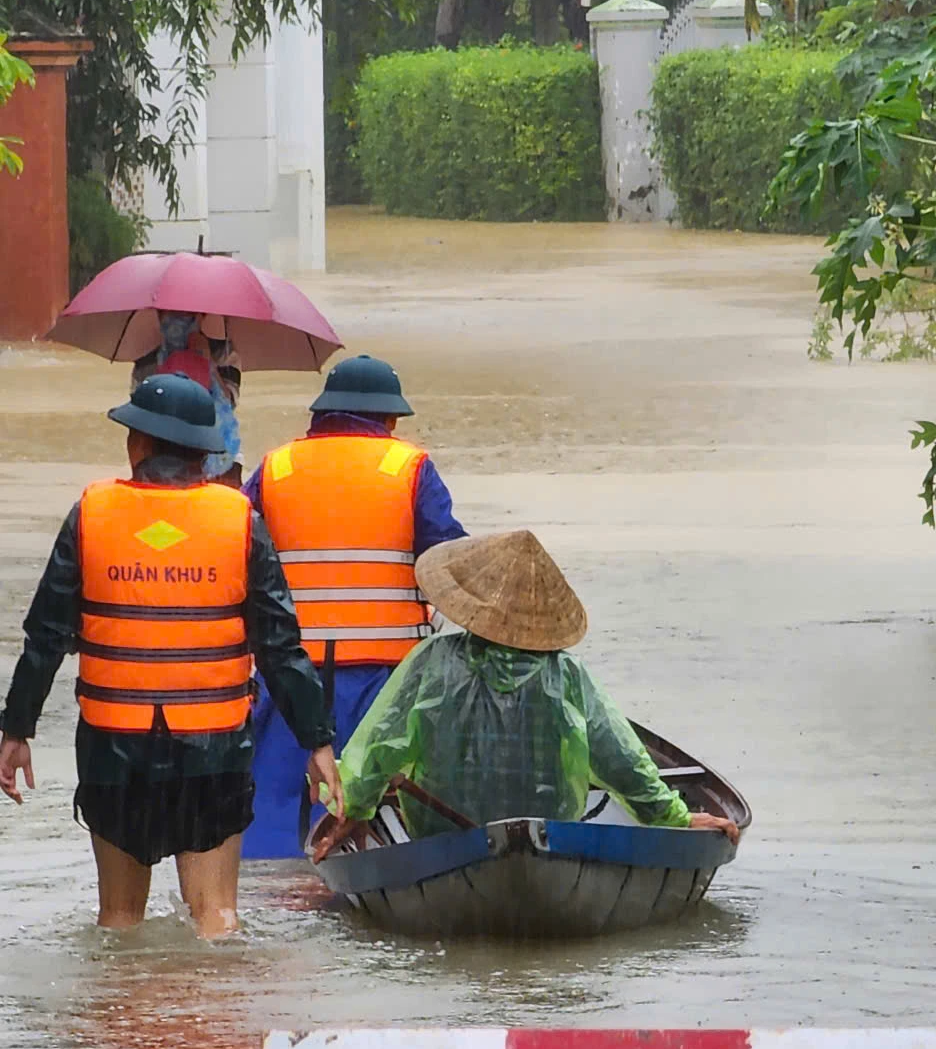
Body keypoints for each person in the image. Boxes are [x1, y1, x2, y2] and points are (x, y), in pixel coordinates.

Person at [0, 374, 342, 937]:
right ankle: (209, 1022)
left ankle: (121, 1021)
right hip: (213, 748)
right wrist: (317, 741)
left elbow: (45, 639)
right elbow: (280, 647)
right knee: (218, 916)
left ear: (138, 443)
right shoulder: (239, 521)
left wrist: (17, 730)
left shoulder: (91, 515)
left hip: (115, 747)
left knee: (118, 921)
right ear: (204, 453)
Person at [313, 530, 739, 855]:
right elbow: (622, 761)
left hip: (444, 834)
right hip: (551, 837)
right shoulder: (567, 674)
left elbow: (378, 749)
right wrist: (674, 819)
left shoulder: (434, 661)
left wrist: (355, 809)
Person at [241, 353, 467, 859]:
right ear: (388, 419)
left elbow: (236, 550)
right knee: (374, 808)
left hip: (286, 675)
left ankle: (269, 901)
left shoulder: (276, 467)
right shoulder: (408, 467)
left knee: (274, 812)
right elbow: (450, 560)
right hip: (384, 679)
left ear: (321, 416)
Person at [132, 310, 243, 484]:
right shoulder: (149, 355)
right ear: (160, 314)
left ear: (201, 315)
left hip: (214, 449)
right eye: (171, 312)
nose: (179, 318)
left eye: (188, 314)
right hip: (160, 450)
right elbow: (139, 410)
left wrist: (207, 364)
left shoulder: (223, 352)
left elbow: (228, 403)